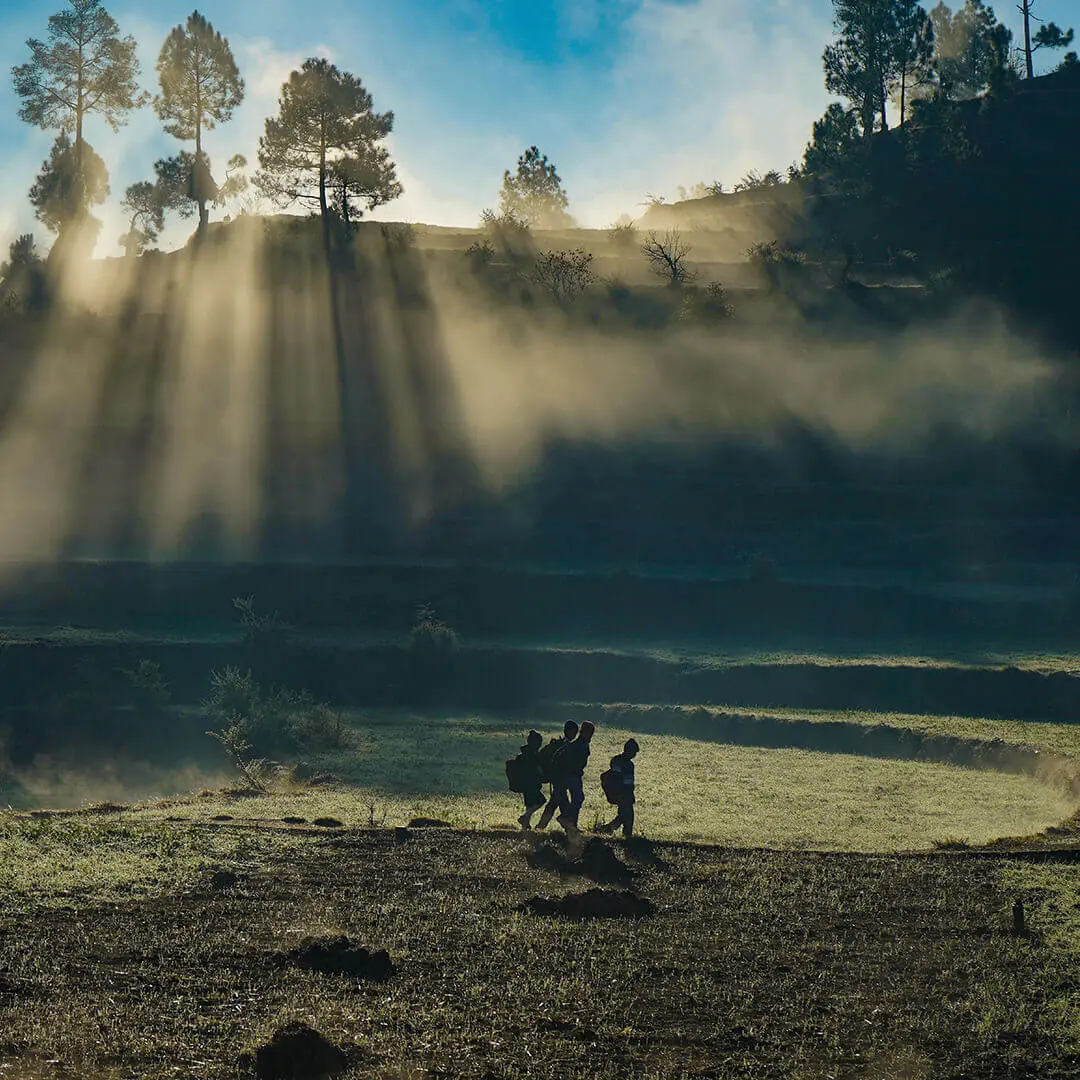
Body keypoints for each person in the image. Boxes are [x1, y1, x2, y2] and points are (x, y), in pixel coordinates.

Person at [535, 719, 578, 831]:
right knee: (559, 801)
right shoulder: (565, 745)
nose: (575, 734)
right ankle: (567, 826)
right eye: (573, 732)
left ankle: (541, 826)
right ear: (567, 731)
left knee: (556, 801)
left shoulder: (560, 744)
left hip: (557, 778)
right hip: (559, 778)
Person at [555, 719, 595, 832]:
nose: (591, 735)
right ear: (584, 732)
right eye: (590, 733)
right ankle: (568, 820)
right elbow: (576, 762)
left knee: (575, 799)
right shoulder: (581, 745)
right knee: (578, 798)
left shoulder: (577, 744)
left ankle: (571, 823)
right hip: (571, 775)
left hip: (570, 774)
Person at [597, 738, 639, 837]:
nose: (634, 755)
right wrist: (629, 795)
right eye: (634, 752)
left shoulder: (615, 760)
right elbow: (627, 782)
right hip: (623, 794)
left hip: (616, 792)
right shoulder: (628, 764)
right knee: (628, 816)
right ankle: (626, 836)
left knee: (623, 815)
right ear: (630, 751)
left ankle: (607, 829)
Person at [515, 729, 546, 830]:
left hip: (524, 784)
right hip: (532, 784)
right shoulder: (533, 755)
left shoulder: (524, 753)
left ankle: (525, 827)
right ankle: (524, 818)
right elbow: (538, 770)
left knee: (530, 804)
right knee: (541, 801)